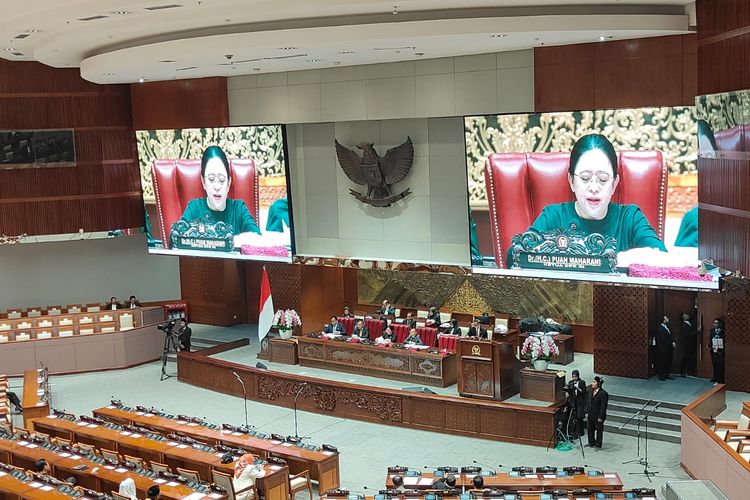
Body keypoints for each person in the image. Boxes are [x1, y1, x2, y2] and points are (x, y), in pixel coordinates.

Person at [509, 134, 666, 265]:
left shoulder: (630, 218)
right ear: (571, 181)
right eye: (585, 178)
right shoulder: (553, 216)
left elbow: (661, 258)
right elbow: (513, 258)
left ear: (614, 184)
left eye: (603, 179)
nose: (594, 187)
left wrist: (622, 258)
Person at [177, 145, 261, 239]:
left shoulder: (239, 209)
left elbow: (257, 240)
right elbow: (175, 240)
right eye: (211, 179)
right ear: (203, 182)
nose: (217, 187)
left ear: (228, 183)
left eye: (221, 180)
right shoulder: (194, 208)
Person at [585, 376, 608, 449]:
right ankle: (591, 442)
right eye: (592, 381)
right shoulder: (590, 391)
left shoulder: (603, 394)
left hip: (598, 415)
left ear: (598, 384)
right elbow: (588, 402)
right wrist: (586, 412)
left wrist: (601, 416)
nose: (592, 383)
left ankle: (598, 444)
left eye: (594, 382)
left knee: (599, 430)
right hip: (590, 414)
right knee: (590, 429)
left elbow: (603, 406)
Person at [655, 315, 676, 380]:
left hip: (669, 348)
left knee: (669, 361)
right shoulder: (661, 329)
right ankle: (661, 375)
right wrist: (671, 343)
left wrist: (673, 341)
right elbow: (663, 340)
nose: (668, 319)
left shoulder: (667, 327)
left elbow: (670, 336)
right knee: (663, 362)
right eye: (666, 318)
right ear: (663, 320)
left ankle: (667, 374)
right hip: (663, 349)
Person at [679, 312, 699, 377]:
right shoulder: (684, 325)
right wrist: (698, 331)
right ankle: (682, 372)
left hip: (691, 344)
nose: (688, 315)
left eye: (687, 314)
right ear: (683, 317)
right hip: (687, 345)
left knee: (691, 358)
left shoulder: (690, 322)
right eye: (686, 315)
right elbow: (689, 334)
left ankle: (690, 371)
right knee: (686, 358)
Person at [568, 370, 587, 438]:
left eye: (575, 376)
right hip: (573, 402)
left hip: (580, 402)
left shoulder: (582, 382)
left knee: (579, 417)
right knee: (574, 417)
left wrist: (578, 388)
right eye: (573, 377)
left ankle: (580, 431)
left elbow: (584, 392)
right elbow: (569, 392)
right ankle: (574, 431)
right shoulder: (570, 382)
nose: (574, 378)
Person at [708, 318, 726, 385]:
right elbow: (710, 339)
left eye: (716, 323)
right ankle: (715, 377)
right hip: (713, 350)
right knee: (714, 364)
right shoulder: (712, 330)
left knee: (720, 365)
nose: (715, 324)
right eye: (714, 323)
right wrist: (709, 346)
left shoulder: (723, 331)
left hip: (720, 351)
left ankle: (720, 380)